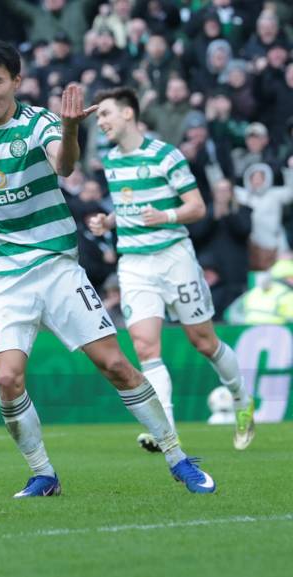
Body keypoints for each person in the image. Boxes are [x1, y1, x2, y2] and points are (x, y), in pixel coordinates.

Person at [0, 40, 215, 497]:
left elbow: (64, 167)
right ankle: (43, 472)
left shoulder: (41, 122)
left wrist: (68, 130)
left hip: (56, 268)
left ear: (16, 81)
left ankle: (178, 457)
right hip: (2, 277)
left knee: (117, 365)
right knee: (6, 378)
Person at [88, 87, 255, 453]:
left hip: (174, 259)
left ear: (128, 114)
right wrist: (108, 221)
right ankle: (165, 431)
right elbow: (129, 208)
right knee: (146, 347)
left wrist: (167, 216)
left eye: (105, 115)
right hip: (134, 263)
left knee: (204, 342)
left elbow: (197, 207)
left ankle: (242, 400)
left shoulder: (166, 156)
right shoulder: (112, 161)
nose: (100, 123)